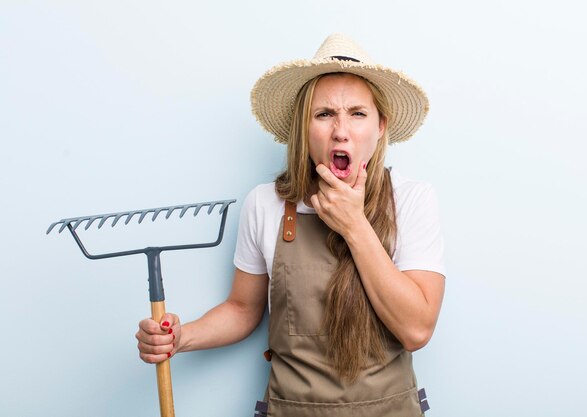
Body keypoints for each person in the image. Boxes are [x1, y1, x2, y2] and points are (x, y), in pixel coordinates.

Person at [136, 33, 446, 417]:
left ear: (381, 125)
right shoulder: (265, 204)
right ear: (304, 127)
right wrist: (181, 339)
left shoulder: (412, 200)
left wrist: (354, 225)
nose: (341, 130)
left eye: (357, 113)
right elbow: (242, 309)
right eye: (324, 114)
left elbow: (416, 330)